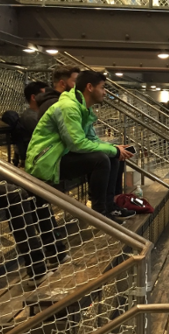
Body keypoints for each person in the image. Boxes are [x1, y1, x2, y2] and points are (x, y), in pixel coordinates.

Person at [26, 70, 136, 222]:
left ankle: (109, 207)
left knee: (112, 157)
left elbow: (91, 139)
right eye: (103, 87)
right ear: (90, 87)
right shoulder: (68, 107)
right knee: (102, 159)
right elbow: (77, 143)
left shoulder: (83, 108)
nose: (105, 93)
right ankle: (99, 214)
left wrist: (116, 149)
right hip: (47, 161)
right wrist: (113, 150)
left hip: (62, 155)